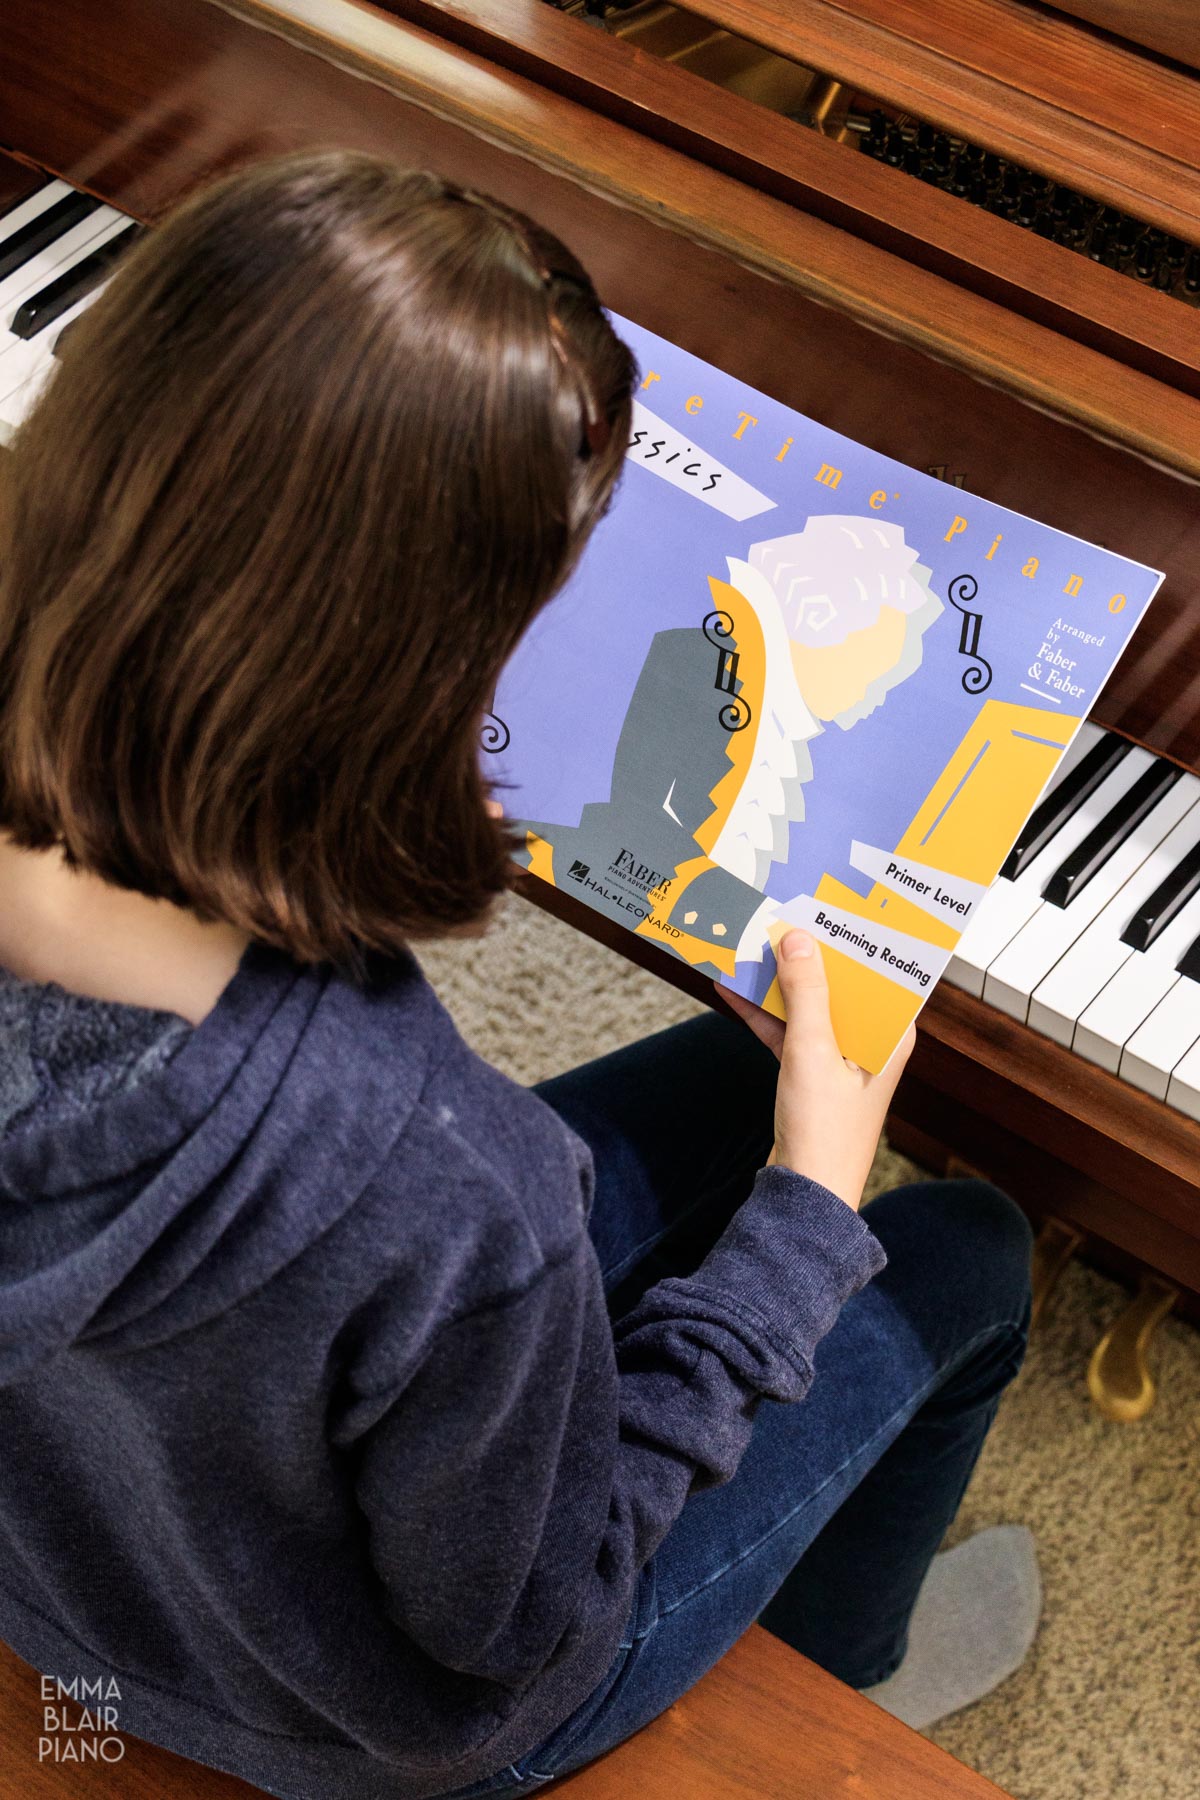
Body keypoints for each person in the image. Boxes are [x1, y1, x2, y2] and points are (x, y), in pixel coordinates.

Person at [0, 151, 1039, 1800]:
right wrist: (808, 1209)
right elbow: (523, 1617)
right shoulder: (442, 1178)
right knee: (968, 1255)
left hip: (71, 1580)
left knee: (730, 1077)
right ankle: (844, 1664)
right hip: (389, 1721)